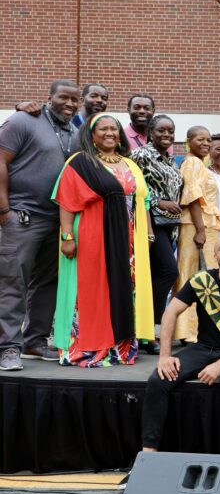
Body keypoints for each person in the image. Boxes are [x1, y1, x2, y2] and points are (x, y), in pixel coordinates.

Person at [141, 235, 220, 454]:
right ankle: (148, 453)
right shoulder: (201, 281)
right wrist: (165, 356)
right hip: (203, 348)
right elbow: (170, 312)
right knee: (158, 379)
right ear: (215, 255)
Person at [53, 113, 154, 366]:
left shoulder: (130, 164)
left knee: (123, 289)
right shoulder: (80, 162)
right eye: (103, 129)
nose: (110, 133)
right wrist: (67, 236)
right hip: (91, 236)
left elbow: (143, 201)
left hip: (127, 241)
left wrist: (147, 234)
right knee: (90, 289)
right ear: (91, 135)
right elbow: (66, 201)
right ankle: (87, 345)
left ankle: (119, 345)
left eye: (114, 129)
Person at [0, 79, 80, 370]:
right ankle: (7, 348)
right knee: (12, 282)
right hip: (20, 215)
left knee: (47, 283)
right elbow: (1, 160)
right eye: (63, 98)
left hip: (56, 220)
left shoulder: (74, 131)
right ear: (49, 97)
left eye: (75, 100)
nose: (70, 104)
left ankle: (33, 341)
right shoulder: (24, 120)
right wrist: (4, 210)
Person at [130, 114, 183, 354]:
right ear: (150, 132)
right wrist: (159, 202)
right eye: (161, 130)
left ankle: (144, 333)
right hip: (149, 222)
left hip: (168, 226)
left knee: (152, 277)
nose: (167, 135)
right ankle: (149, 329)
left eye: (170, 131)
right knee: (168, 271)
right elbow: (133, 187)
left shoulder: (170, 159)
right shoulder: (142, 155)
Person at [175, 126, 220, 343]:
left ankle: (196, 329)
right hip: (196, 227)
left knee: (203, 277)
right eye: (200, 139)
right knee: (190, 276)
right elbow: (192, 197)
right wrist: (201, 231)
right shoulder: (192, 162)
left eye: (208, 139)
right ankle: (187, 331)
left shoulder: (200, 163)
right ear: (188, 141)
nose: (205, 143)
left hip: (205, 225)